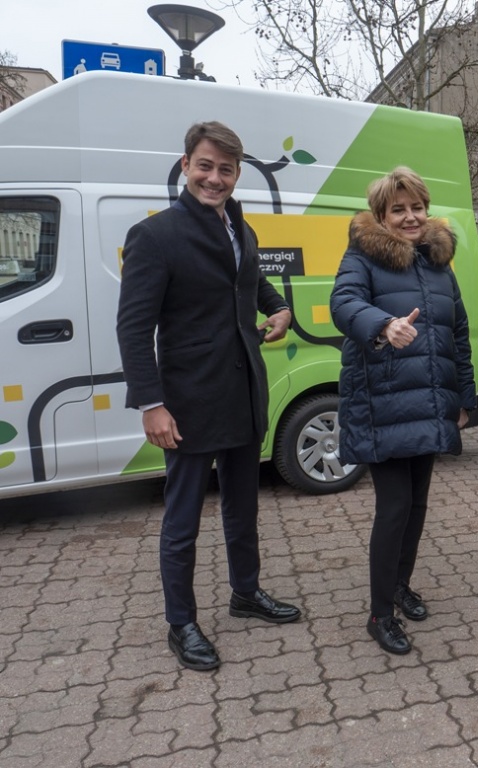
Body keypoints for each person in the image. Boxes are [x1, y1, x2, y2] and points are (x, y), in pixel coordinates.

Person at [116, 121, 301, 672]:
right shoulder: (154, 236)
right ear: (185, 165)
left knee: (244, 506)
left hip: (244, 392)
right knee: (183, 520)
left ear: (237, 173)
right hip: (189, 403)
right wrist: (151, 404)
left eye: (225, 169)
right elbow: (133, 328)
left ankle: (246, 593)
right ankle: (182, 623)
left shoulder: (240, 227)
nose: (214, 178)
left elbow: (251, 283)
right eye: (205, 166)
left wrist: (278, 308)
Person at [330, 167, 475, 655]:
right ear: (381, 216)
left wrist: (463, 399)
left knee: (416, 506)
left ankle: (399, 585)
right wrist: (383, 324)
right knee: (393, 510)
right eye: (398, 209)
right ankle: (379, 614)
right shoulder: (362, 257)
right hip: (384, 404)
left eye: (417, 207)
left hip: (430, 403)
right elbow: (343, 303)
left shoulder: (438, 263)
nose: (410, 217)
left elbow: (458, 333)